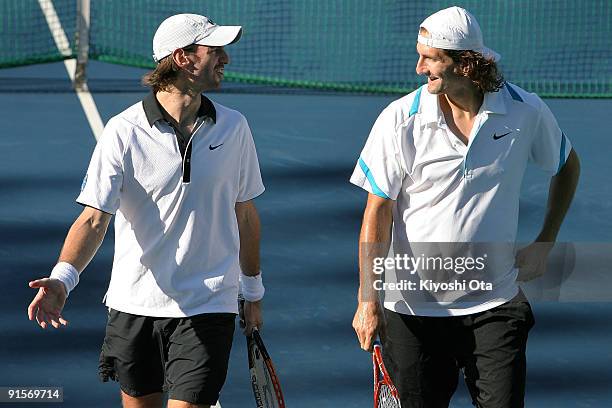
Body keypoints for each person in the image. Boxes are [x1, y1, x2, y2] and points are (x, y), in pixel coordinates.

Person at [27, 13, 266, 408]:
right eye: (215, 51)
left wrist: (253, 291)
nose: (225, 58)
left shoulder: (234, 127)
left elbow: (245, 213)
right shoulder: (123, 131)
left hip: (208, 303)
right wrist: (62, 279)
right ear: (183, 59)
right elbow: (93, 217)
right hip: (134, 305)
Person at [350, 6, 580, 408]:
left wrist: (545, 241)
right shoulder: (399, 119)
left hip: (495, 305)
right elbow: (377, 212)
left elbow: (566, 166)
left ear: (466, 64)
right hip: (412, 312)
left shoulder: (525, 111)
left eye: (430, 57)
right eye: (419, 54)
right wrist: (368, 298)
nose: (419, 66)